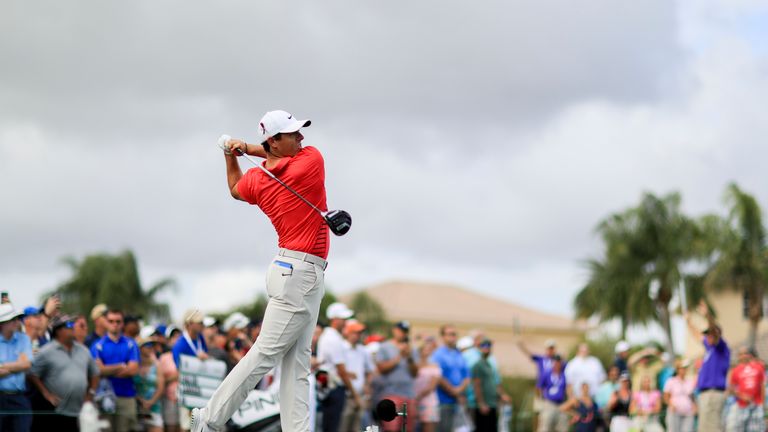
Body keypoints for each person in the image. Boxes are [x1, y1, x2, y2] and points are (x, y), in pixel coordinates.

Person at [192, 110, 330, 432]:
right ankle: (209, 419)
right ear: (275, 141)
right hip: (302, 273)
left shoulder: (257, 179)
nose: (301, 138)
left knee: (296, 363)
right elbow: (270, 155)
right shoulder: (311, 162)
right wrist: (246, 147)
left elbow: (234, 186)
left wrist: (231, 153)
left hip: (289, 269)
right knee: (265, 354)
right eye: (293, 134)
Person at [29, 315, 100, 431]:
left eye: (73, 325)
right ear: (58, 331)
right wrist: (46, 394)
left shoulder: (83, 350)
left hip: (79, 411)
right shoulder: (46, 351)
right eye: (69, 325)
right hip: (55, 411)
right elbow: (32, 374)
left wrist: (90, 394)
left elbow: (95, 373)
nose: (73, 327)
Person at [90, 309, 140, 432]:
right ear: (106, 322)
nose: (115, 324)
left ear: (122, 323)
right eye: (111, 321)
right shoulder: (97, 345)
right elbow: (97, 371)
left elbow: (133, 370)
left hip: (126, 396)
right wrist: (121, 366)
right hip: (104, 396)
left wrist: (107, 370)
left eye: (118, 321)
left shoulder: (131, 344)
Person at [685, 302, 729, 432]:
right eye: (707, 334)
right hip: (705, 394)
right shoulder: (709, 349)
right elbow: (696, 335)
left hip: (713, 392)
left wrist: (707, 315)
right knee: (704, 428)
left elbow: (714, 330)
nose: (707, 336)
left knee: (713, 427)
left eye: (709, 334)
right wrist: (688, 321)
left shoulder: (721, 348)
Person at [317, 302, 357, 432]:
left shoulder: (331, 336)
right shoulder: (333, 338)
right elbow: (341, 370)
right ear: (334, 319)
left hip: (328, 387)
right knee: (331, 427)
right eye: (343, 319)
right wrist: (355, 395)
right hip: (333, 389)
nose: (346, 322)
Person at [374, 320, 419, 432]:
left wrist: (409, 357)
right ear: (394, 330)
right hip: (390, 392)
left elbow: (415, 373)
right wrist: (399, 356)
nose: (403, 334)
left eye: (405, 331)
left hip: (408, 394)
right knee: (391, 427)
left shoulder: (411, 349)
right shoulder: (385, 347)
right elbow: (382, 369)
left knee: (407, 428)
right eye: (401, 331)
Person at [431, 324, 470, 432]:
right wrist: (454, 392)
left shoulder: (459, 354)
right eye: (450, 334)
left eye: (454, 334)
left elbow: (466, 376)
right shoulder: (438, 354)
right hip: (444, 402)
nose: (453, 337)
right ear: (443, 336)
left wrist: (459, 392)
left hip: (459, 402)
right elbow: (439, 376)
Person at [0, 303, 32, 432]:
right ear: (2, 323)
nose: (17, 322)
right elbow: (21, 365)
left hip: (20, 398)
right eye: (13, 319)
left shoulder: (24, 339)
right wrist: (17, 365)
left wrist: (2, 366)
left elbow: (27, 365)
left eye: (17, 319)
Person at [339, 320, 374, 432]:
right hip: (345, 395)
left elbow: (369, 371)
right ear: (348, 333)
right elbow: (339, 371)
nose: (357, 335)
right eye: (355, 332)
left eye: (359, 333)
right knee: (342, 427)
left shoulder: (363, 350)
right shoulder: (341, 347)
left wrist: (367, 386)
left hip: (360, 395)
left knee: (357, 428)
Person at [471, 338, 510, 432]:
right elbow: (476, 385)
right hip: (484, 405)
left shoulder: (489, 364)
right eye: (484, 346)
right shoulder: (478, 365)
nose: (486, 348)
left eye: (488, 346)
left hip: (492, 403)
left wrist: (501, 395)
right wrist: (481, 403)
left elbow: (493, 383)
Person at [728, 347, 764, 432]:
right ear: (738, 356)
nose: (744, 356)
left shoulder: (758, 367)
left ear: (749, 355)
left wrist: (762, 403)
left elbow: (762, 385)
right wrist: (741, 396)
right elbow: (731, 389)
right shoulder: (735, 371)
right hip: (742, 406)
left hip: (756, 405)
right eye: (741, 354)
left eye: (745, 353)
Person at [135, 337, 166, 432]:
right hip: (137, 408)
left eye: (152, 346)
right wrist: (141, 400)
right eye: (148, 345)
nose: (151, 348)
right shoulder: (134, 364)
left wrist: (150, 402)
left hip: (154, 407)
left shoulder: (157, 365)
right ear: (140, 348)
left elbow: (161, 386)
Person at [415, 337, 441, 432]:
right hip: (414, 400)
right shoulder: (415, 365)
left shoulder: (434, 366)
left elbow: (432, 386)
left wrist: (418, 396)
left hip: (428, 401)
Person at [159, 327, 182, 432]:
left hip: (185, 400)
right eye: (174, 337)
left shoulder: (188, 356)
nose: (177, 339)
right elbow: (160, 380)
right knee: (171, 428)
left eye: (179, 336)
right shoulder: (164, 358)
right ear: (168, 340)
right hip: (170, 398)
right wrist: (177, 375)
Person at [663, 359, 696, 432]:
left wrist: (694, 406)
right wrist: (671, 405)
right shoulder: (671, 381)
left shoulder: (689, 381)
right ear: (678, 369)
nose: (684, 370)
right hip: (675, 412)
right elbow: (666, 396)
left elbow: (692, 396)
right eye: (682, 368)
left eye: (685, 368)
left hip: (688, 412)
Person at [538, 355, 568, 432]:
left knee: (562, 426)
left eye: (558, 362)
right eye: (555, 362)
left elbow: (567, 388)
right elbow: (539, 387)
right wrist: (542, 398)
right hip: (549, 403)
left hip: (561, 404)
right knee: (546, 426)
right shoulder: (546, 373)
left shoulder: (564, 374)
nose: (557, 364)